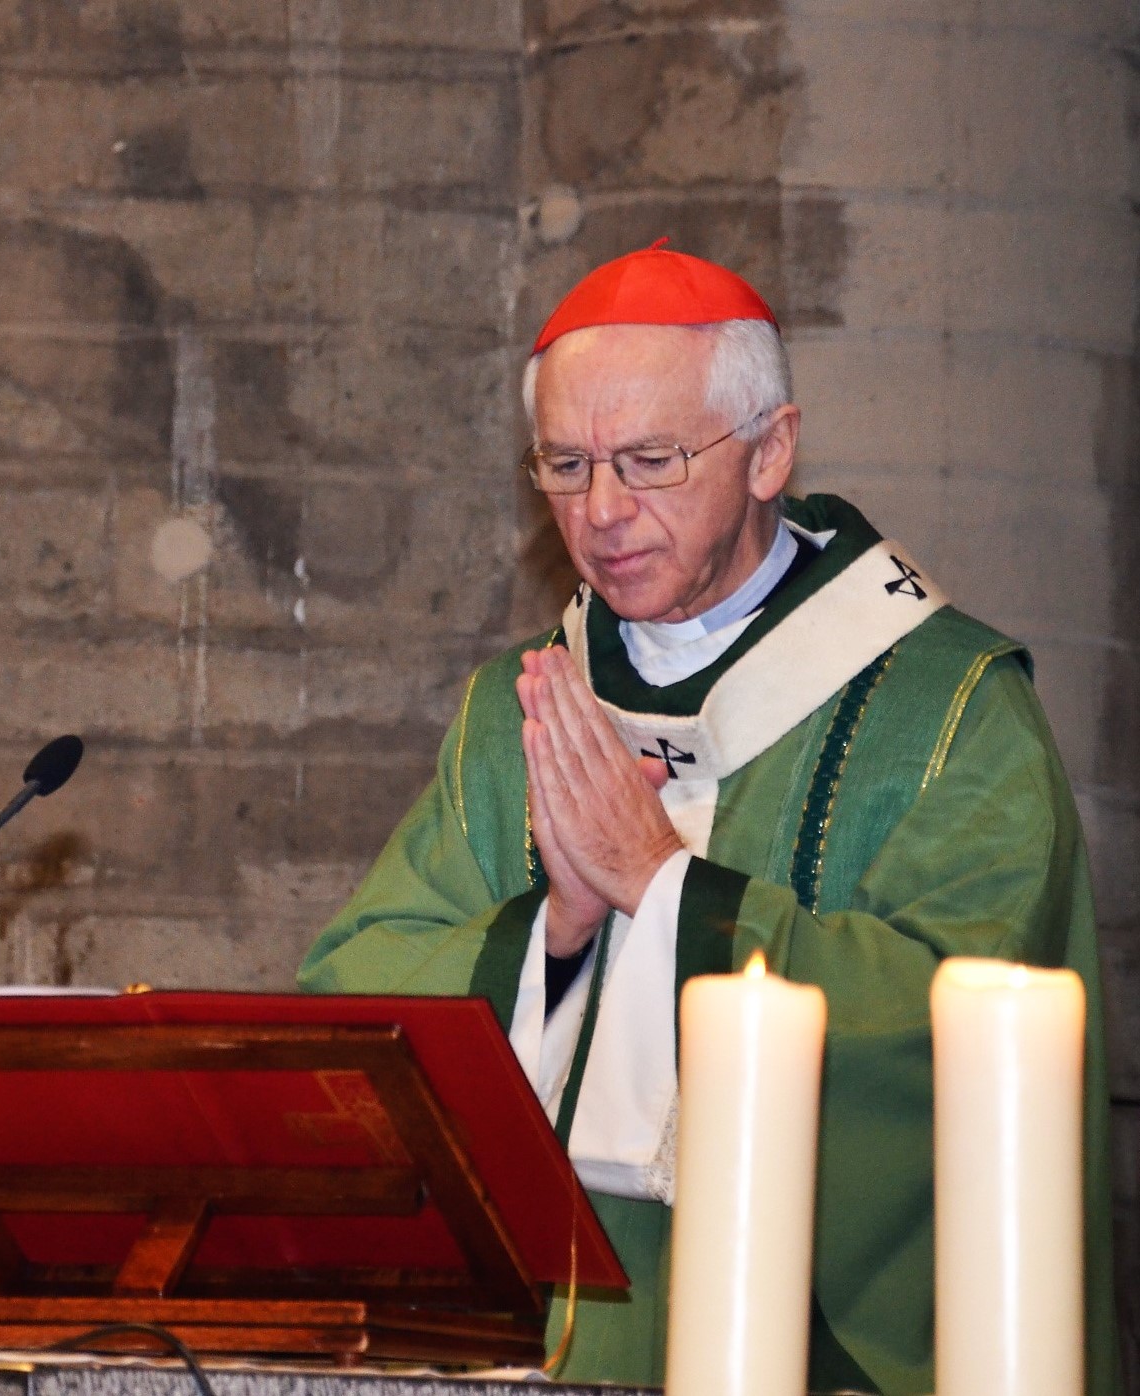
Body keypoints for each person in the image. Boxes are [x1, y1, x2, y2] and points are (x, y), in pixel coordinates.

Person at [298, 242, 1117, 1395]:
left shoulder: (949, 711)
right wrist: (557, 935)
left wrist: (666, 888)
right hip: (521, 1344)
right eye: (566, 464)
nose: (603, 511)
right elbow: (352, 993)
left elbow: (975, 1032)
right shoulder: (526, 706)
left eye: (649, 460)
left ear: (771, 449)